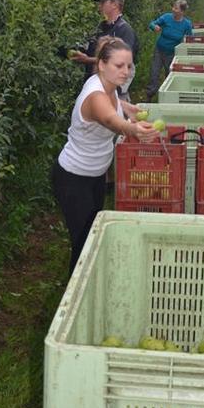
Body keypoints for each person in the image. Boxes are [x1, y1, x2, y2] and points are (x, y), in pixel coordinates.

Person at [53, 37, 156, 276]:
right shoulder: (96, 97)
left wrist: (127, 108)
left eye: (129, 66)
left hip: (96, 176)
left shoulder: (106, 86)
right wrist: (132, 129)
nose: (126, 71)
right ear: (101, 65)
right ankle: (74, 302)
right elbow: (109, 118)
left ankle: (88, 283)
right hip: (73, 178)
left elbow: (112, 105)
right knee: (83, 245)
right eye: (118, 66)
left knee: (93, 234)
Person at [70, 0, 139, 100]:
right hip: (98, 84)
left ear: (115, 5)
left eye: (103, 2)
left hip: (114, 88)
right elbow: (88, 47)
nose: (99, 6)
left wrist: (87, 60)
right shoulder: (100, 27)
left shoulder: (124, 30)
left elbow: (121, 61)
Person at [145, 0, 194, 100]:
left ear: (182, 11)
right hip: (159, 50)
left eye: (176, 8)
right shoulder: (166, 17)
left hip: (172, 54)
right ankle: (150, 95)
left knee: (169, 75)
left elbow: (190, 39)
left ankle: (167, 97)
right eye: (173, 7)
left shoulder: (186, 24)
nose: (173, 9)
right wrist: (155, 27)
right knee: (154, 73)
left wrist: (185, 45)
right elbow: (151, 23)